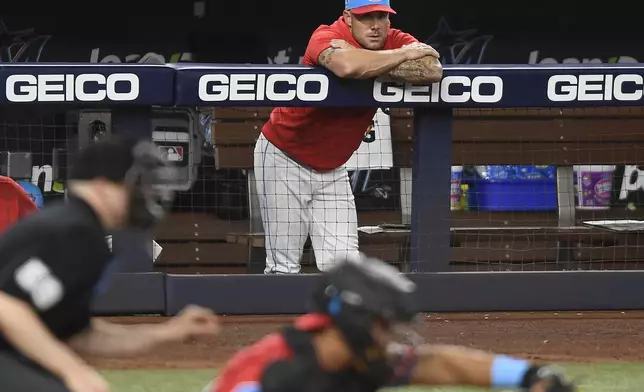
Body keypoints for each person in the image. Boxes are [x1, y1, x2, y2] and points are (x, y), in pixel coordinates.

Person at [0, 137, 220, 392]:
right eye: (135, 185)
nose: (146, 195)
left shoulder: (76, 227)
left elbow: (80, 334)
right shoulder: (74, 232)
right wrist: (74, 371)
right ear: (103, 185)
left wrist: (167, 332)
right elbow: (8, 306)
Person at [255, 0, 443, 274]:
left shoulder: (394, 39)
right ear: (348, 17)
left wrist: (370, 61)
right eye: (366, 17)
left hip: (332, 169)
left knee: (345, 267)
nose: (376, 25)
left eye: (382, 16)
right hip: (284, 157)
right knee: (283, 267)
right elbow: (346, 67)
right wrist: (403, 55)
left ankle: (335, 318)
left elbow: (431, 69)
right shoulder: (326, 36)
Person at [202, 254, 577, 392]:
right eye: (384, 326)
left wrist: (529, 377)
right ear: (356, 321)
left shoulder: (350, 358)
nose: (389, 338)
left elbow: (438, 362)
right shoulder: (276, 377)